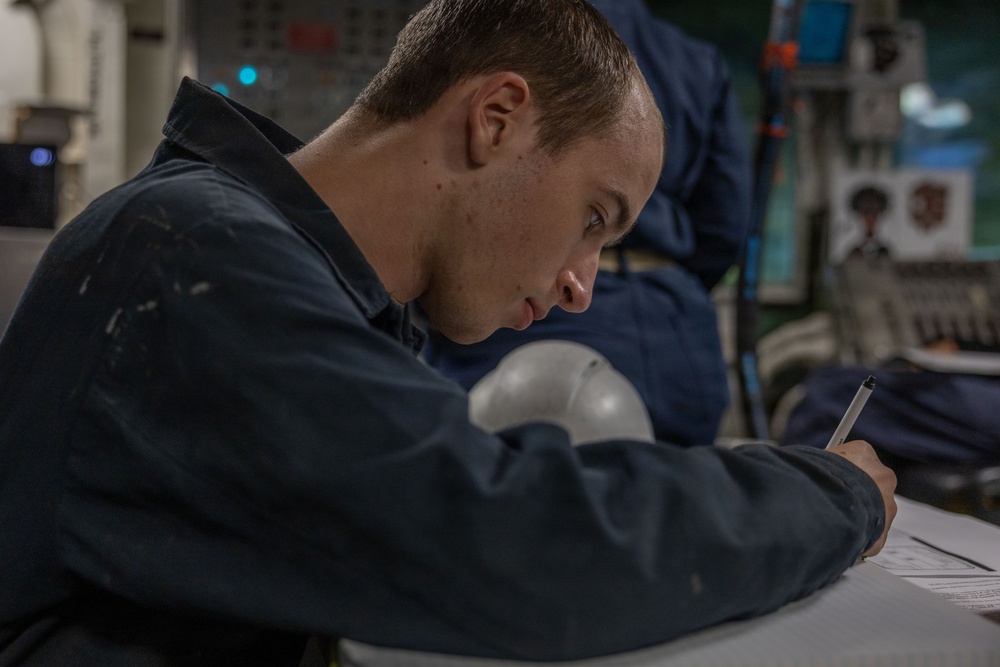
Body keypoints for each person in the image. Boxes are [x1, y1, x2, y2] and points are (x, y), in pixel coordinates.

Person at [0, 0, 895, 665]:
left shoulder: (295, 280)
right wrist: (829, 494)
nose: (584, 286)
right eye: (594, 215)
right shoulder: (197, 251)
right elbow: (515, 545)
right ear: (496, 119)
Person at [421, 0, 751, 446]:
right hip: (675, 338)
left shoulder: (504, 31)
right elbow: (725, 226)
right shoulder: (696, 61)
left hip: (527, 329)